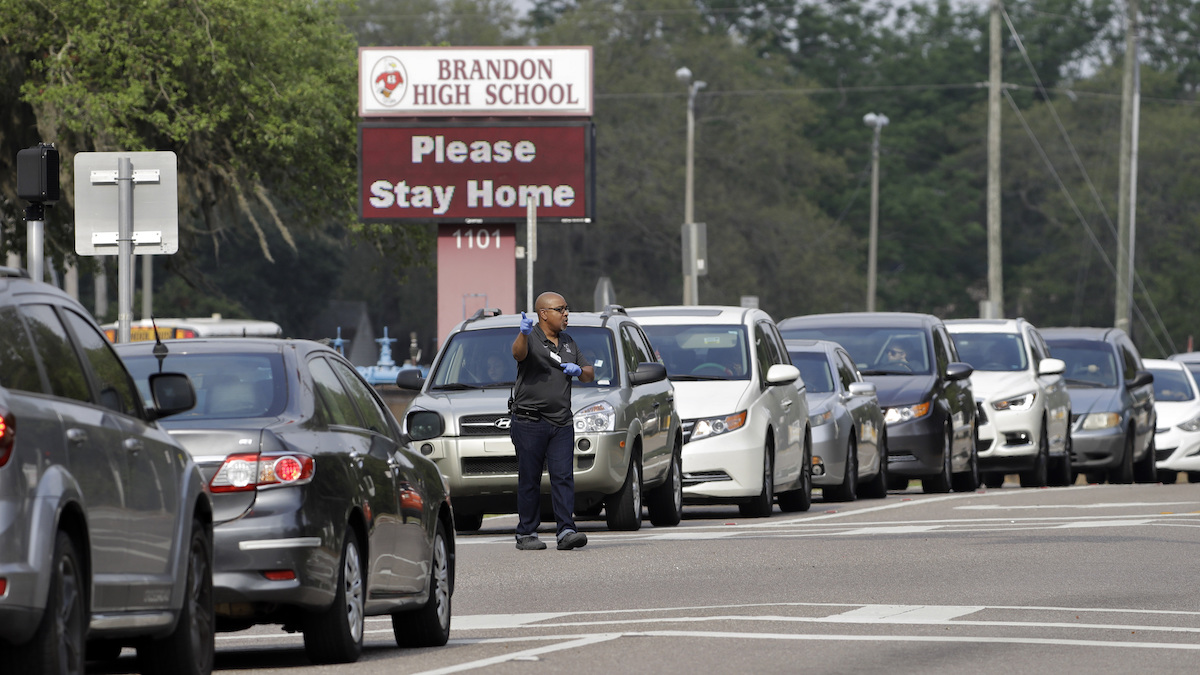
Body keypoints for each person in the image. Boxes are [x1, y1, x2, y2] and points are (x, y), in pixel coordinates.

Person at [510, 291, 595, 551]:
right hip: (529, 421)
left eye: (566, 309)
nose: (566, 314)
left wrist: (580, 371)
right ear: (544, 314)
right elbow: (518, 354)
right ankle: (526, 533)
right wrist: (523, 333)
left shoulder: (568, 342)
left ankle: (566, 530)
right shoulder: (530, 337)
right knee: (529, 478)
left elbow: (589, 373)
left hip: (560, 422)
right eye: (560, 309)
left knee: (562, 477)